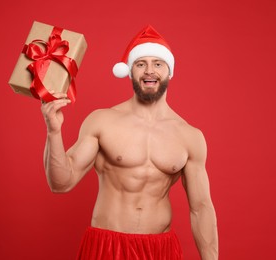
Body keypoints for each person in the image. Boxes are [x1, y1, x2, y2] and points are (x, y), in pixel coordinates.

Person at [41, 25, 218, 260]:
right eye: (141, 63)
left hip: (160, 250)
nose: (149, 71)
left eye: (158, 63)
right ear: (130, 71)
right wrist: (54, 132)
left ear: (169, 70)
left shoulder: (189, 137)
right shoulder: (102, 121)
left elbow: (201, 208)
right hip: (107, 246)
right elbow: (61, 183)